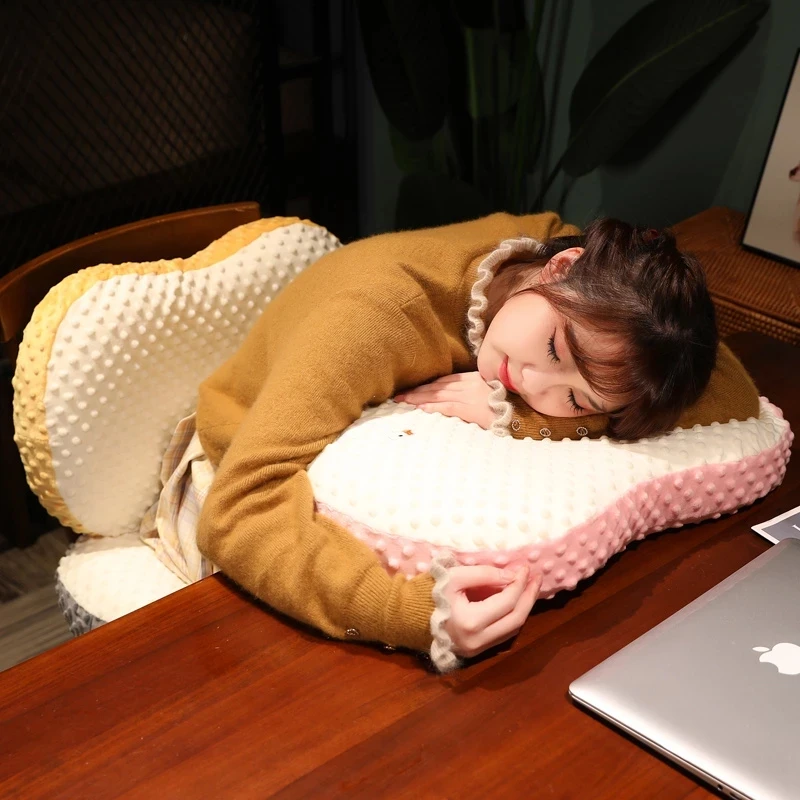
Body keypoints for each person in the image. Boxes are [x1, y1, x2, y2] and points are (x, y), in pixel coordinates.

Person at [152, 211, 758, 672]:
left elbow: (731, 390)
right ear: (559, 268)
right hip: (228, 463)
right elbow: (239, 510)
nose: (532, 383)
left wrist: (532, 419)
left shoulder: (589, 279)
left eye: (577, 398)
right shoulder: (371, 317)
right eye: (555, 348)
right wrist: (417, 615)